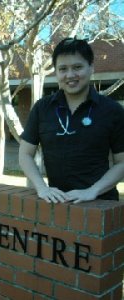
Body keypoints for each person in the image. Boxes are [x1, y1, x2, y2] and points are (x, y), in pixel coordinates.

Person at [19, 37, 124, 204]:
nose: (70, 75)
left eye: (77, 67)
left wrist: (92, 191)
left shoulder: (112, 110)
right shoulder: (42, 108)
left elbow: (122, 163)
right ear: (56, 72)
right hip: (57, 203)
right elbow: (25, 153)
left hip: (101, 204)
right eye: (63, 69)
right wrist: (41, 188)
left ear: (91, 68)